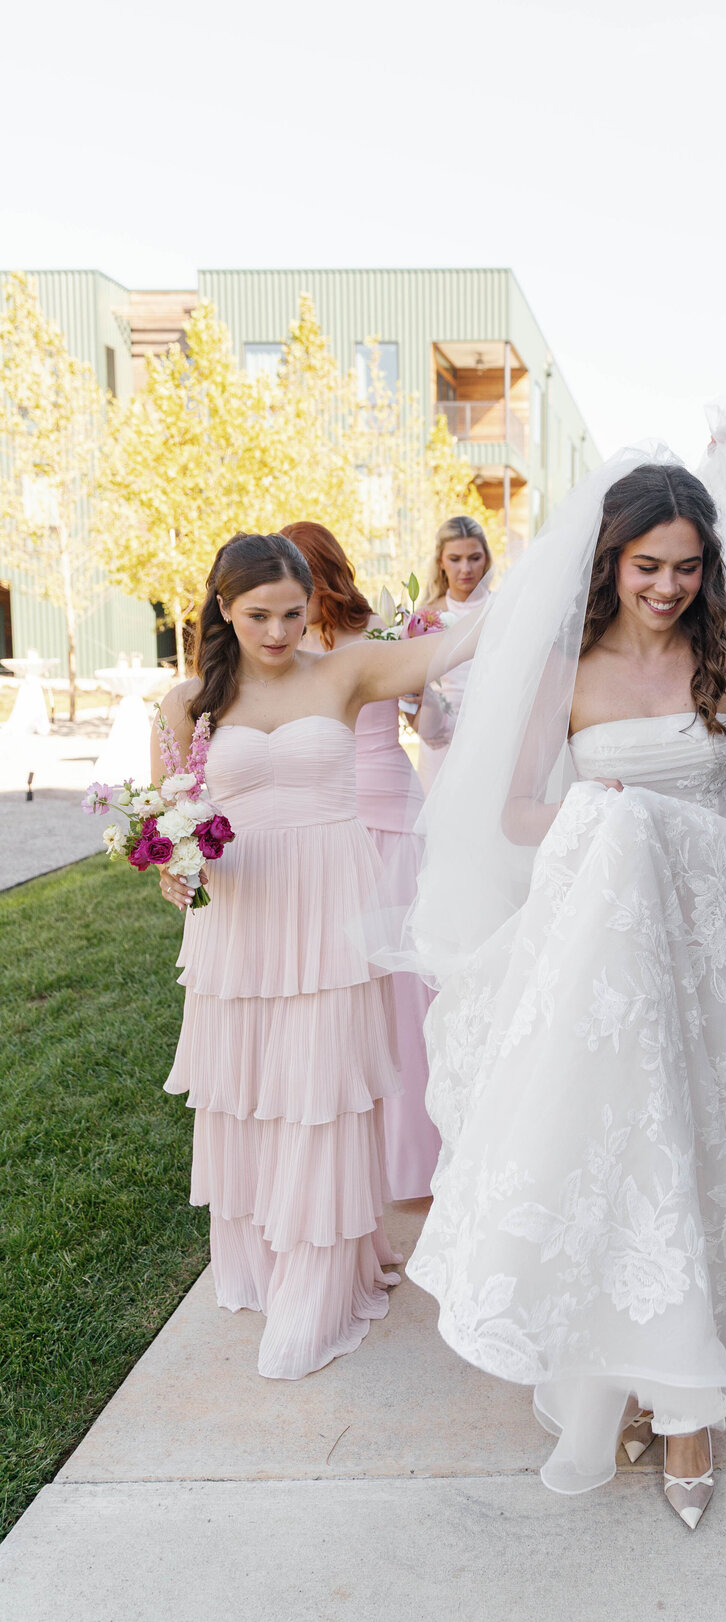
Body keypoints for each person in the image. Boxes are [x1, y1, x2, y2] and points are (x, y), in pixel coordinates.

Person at [385, 451, 726, 1526]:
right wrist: (600, 813)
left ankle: (685, 1393)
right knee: (626, 1145)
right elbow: (520, 815)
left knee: (694, 1152)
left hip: (707, 941)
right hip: (611, 945)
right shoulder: (567, 674)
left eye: (687, 568)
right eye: (648, 566)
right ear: (611, 563)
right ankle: (640, 1379)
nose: (667, 587)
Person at [155, 532, 476, 1379]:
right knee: (252, 1091)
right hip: (241, 917)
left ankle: (319, 1285)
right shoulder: (187, 703)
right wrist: (171, 872)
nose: (278, 631)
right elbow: (167, 827)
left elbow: (464, 641)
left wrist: (561, 568)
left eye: (293, 614)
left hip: (332, 907)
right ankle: (262, 1263)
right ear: (223, 607)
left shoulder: (348, 670)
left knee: (321, 1091)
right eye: (259, 614)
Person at [281, 521, 439, 1202]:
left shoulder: (383, 633)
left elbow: (427, 721)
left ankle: (416, 1154)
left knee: (405, 990)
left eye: (295, 584)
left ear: (320, 576)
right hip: (324, 825)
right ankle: (350, 1146)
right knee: (340, 986)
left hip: (390, 818)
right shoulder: (284, 646)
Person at [415, 515, 492, 789]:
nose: (466, 568)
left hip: (492, 734)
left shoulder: (503, 609)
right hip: (441, 737)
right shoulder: (424, 616)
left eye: (474, 557)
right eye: (455, 558)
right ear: (441, 562)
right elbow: (410, 684)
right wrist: (421, 723)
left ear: (486, 559)